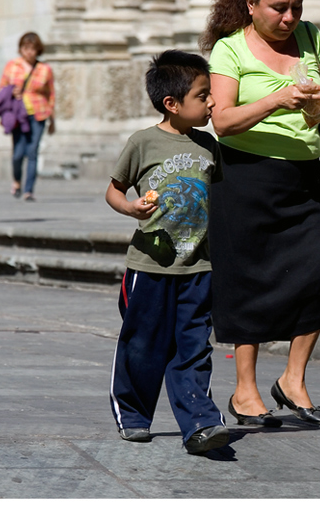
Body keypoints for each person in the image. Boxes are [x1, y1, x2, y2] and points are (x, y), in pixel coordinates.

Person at [199, 0, 320, 428]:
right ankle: (245, 392)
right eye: (279, 8)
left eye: (297, 7)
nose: (289, 18)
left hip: (302, 178)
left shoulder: (311, 36)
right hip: (244, 178)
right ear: (251, 3)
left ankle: (292, 379)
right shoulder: (229, 50)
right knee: (251, 284)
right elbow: (221, 121)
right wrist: (275, 100)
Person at [105, 50, 230, 455]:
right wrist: (131, 208)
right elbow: (114, 189)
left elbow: (220, 201)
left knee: (194, 346)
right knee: (142, 345)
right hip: (149, 267)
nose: (212, 102)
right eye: (203, 95)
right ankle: (134, 416)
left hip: (199, 267)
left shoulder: (209, 146)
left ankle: (200, 423)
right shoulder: (142, 142)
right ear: (171, 104)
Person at [0, 32, 56, 201]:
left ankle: (29, 190)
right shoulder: (12, 66)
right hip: (18, 115)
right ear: (21, 49)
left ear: (38, 50)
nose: (29, 52)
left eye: (32, 48)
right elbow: (2, 88)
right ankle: (16, 180)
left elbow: (50, 94)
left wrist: (52, 119)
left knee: (32, 151)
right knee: (18, 153)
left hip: (39, 114)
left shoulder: (45, 69)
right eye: (25, 48)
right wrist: (11, 90)